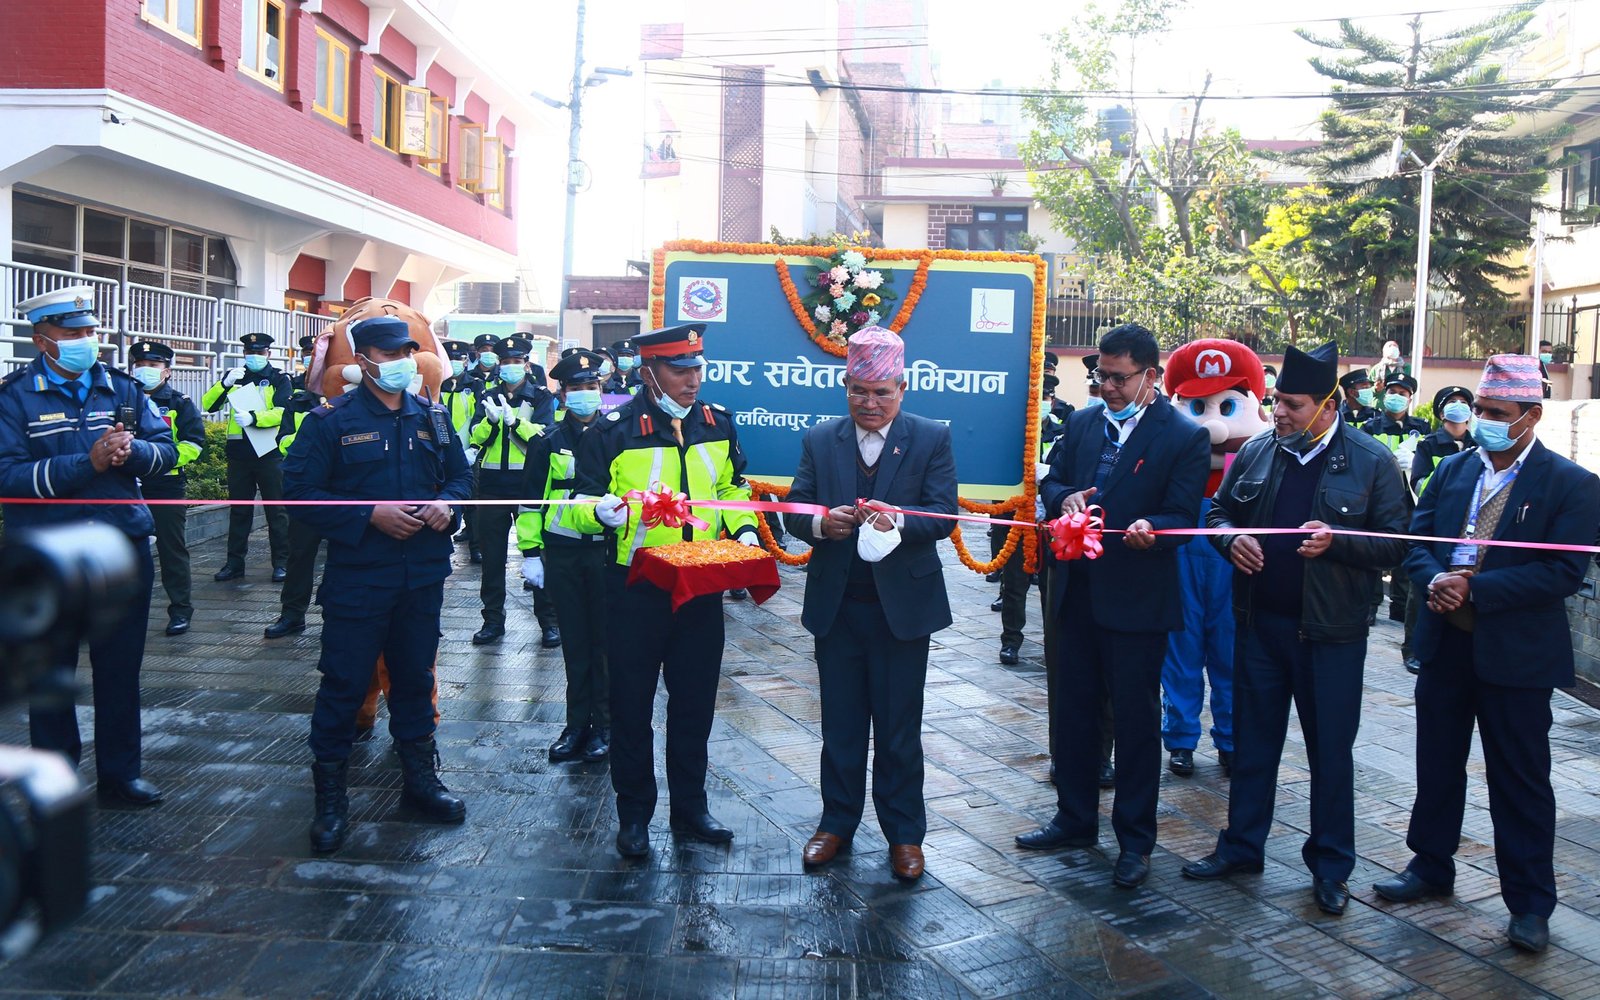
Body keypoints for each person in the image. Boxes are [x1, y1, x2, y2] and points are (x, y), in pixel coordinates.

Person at [1375, 353, 1600, 954]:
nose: (1485, 421)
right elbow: (1418, 541)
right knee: (1437, 763)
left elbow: (1561, 572)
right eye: (1480, 410)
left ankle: (1529, 903)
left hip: (1516, 656)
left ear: (1531, 416)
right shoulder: (1453, 470)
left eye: (1498, 413)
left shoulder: (1571, 485)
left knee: (1520, 780)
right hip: (1446, 641)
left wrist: (1476, 587)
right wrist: (1435, 579)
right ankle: (1430, 865)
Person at [1180, 341, 1410, 916]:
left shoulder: (1371, 461)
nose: (1278, 411)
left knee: (1329, 753)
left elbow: (1399, 544)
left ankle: (1331, 867)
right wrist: (1231, 539)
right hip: (1259, 626)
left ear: (1328, 407)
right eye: (1277, 400)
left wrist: (1340, 542)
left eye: (1293, 404)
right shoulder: (1259, 450)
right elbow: (1218, 513)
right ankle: (1241, 846)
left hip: (1330, 635)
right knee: (1253, 745)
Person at [1015, 323, 1210, 890]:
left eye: (1121, 378)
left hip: (1136, 600)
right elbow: (1052, 482)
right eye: (1102, 376)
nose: (1109, 388)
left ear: (1151, 376)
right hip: (1075, 591)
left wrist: (1153, 528)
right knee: (1073, 711)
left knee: (1135, 721)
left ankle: (1135, 840)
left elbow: (1182, 516)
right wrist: (1064, 498)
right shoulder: (1082, 423)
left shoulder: (1184, 436)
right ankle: (1074, 818)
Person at [568, 322, 761, 859]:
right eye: (680, 370)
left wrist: (743, 527)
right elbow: (574, 504)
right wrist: (599, 513)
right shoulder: (611, 430)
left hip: (699, 585)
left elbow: (731, 486)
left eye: (697, 368)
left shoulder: (717, 423)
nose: (692, 380)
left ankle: (691, 808)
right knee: (631, 706)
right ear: (649, 372)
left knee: (695, 704)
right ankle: (634, 814)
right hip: (635, 588)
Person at [281, 314, 472, 853]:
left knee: (414, 678)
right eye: (390, 355)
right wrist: (368, 513)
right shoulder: (331, 421)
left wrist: (448, 505)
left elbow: (462, 477)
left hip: (422, 577)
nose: (403, 363)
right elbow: (297, 492)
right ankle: (331, 798)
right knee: (343, 684)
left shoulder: (432, 417)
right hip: (360, 578)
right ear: (363, 361)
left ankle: (420, 780)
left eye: (408, 353)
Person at [784, 327, 959, 883]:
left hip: (902, 612)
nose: (869, 403)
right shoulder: (821, 440)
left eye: (882, 392)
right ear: (845, 386)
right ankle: (836, 823)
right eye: (859, 391)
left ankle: (904, 835)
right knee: (840, 725)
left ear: (902, 389)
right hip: (838, 607)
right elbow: (795, 509)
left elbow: (943, 515)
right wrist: (822, 524)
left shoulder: (930, 438)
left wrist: (897, 522)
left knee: (899, 727)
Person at [0, 286, 177, 806]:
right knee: (49, 672)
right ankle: (56, 781)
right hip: (45, 557)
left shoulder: (121, 387)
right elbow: (7, 475)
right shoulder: (13, 397)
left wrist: (133, 452)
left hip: (119, 547)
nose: (86, 340)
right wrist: (88, 462)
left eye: (90, 331)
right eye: (73, 332)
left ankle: (121, 777)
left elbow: (166, 452)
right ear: (42, 340)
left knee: (120, 670)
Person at [1160, 339, 1274, 778]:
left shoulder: (1265, 458)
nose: (1214, 426)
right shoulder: (1167, 453)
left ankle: (1231, 738)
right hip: (1180, 554)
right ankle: (1181, 738)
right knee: (1180, 647)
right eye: (1197, 407)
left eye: (1227, 408)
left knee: (1232, 650)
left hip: (1233, 558)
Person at [516, 350, 612, 763]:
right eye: (577, 387)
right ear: (562, 394)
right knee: (574, 643)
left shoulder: (616, 435)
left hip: (606, 552)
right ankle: (576, 726)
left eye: (592, 386)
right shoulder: (547, 441)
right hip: (563, 555)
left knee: (605, 644)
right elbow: (529, 503)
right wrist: (530, 553)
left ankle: (604, 726)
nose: (586, 393)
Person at [467, 335, 559, 647]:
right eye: (505, 362)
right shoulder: (488, 395)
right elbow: (476, 435)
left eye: (516, 362)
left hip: (528, 483)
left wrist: (514, 422)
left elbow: (544, 436)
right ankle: (492, 620)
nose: (510, 367)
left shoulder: (540, 396)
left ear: (526, 364)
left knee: (537, 553)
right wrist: (492, 423)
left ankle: (548, 622)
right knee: (492, 558)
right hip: (492, 486)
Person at [129, 340, 205, 637]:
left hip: (165, 484)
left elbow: (193, 443)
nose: (145, 370)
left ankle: (180, 610)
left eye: (153, 365)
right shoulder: (123, 398)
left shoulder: (179, 402)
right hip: (127, 485)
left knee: (172, 549)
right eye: (140, 365)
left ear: (167, 371)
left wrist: (163, 460)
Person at [202, 332, 291, 582]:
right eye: (250, 352)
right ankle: (234, 564)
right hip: (239, 454)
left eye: (259, 352)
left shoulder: (278, 379)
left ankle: (282, 563)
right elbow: (209, 405)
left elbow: (283, 412)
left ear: (268, 354)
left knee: (276, 510)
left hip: (269, 453)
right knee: (240, 511)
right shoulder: (236, 377)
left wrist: (254, 418)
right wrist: (224, 384)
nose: (254, 357)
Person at [264, 384, 325, 639]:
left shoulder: (359, 403)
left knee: (345, 556)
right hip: (308, 488)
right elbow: (283, 441)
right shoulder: (298, 402)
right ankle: (292, 614)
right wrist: (309, 438)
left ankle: (336, 615)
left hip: (346, 491)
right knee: (299, 554)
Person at [1411, 385, 1476, 498]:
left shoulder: (1478, 445)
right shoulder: (1427, 444)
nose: (1458, 405)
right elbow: (1418, 486)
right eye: (1452, 402)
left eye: (1463, 402)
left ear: (1469, 413)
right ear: (1442, 414)